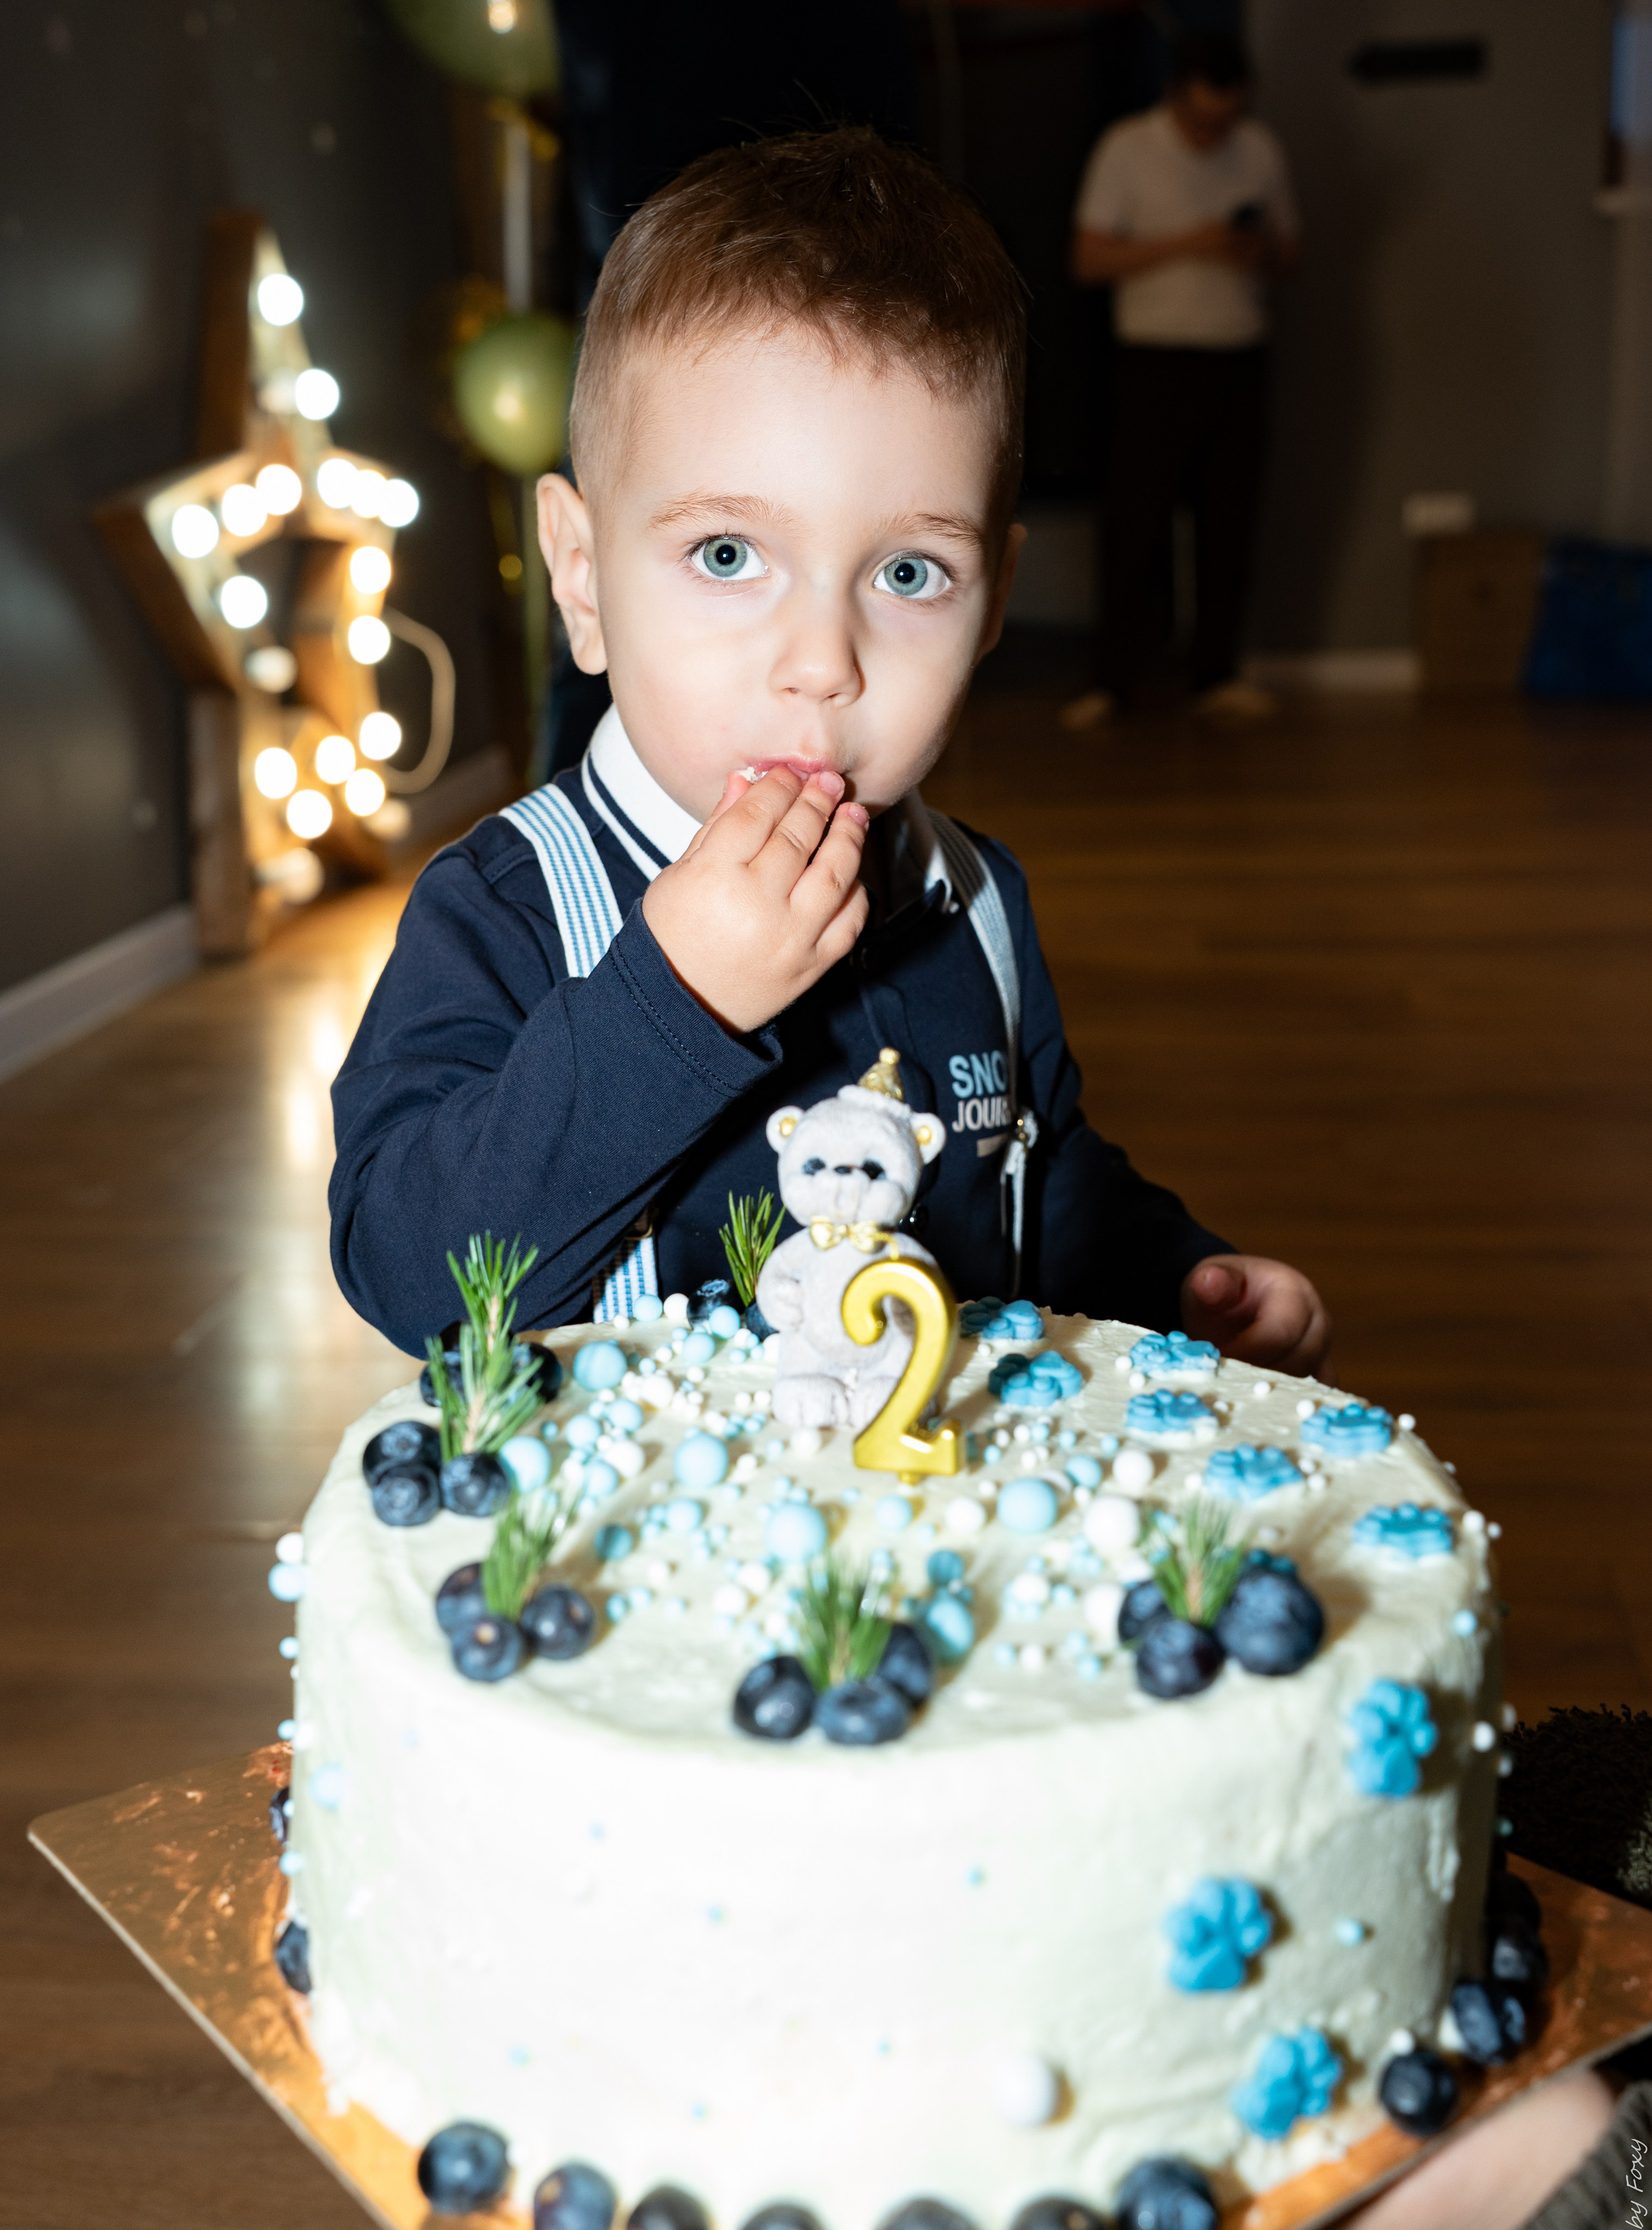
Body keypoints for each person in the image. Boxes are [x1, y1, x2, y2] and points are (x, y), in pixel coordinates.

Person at [329, 125, 1328, 1377]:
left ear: (994, 601)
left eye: (909, 573)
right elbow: (406, 1267)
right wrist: (670, 998)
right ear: (580, 580)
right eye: (728, 557)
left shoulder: (971, 902)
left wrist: (1167, 1273)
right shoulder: (505, 910)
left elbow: (1030, 1172)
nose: (822, 660)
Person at [1065, 32, 1298, 730]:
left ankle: (1216, 673)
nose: (1213, 133)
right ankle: (1114, 682)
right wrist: (1188, 243)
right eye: (1201, 120)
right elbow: (1087, 259)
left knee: (1230, 524)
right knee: (1135, 527)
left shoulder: (1260, 150)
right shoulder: (1126, 148)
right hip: (1154, 361)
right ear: (1174, 95)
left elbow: (1290, 255)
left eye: (1224, 120)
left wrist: (1254, 249)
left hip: (1239, 357)